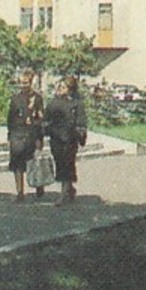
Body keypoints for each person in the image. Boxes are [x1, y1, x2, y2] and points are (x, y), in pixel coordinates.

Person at [44, 75, 88, 206]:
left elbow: (81, 121)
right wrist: (45, 130)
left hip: (70, 139)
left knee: (67, 163)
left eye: (63, 87)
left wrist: (80, 134)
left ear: (70, 89)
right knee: (59, 163)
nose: (60, 89)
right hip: (56, 137)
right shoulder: (54, 103)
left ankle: (62, 195)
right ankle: (69, 188)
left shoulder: (76, 104)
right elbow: (46, 118)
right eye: (59, 86)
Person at [6, 71, 46, 201]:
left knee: (33, 162)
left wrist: (40, 138)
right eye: (21, 83)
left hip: (32, 134)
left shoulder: (37, 98)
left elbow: (41, 118)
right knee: (17, 164)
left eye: (26, 83)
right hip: (17, 134)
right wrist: (9, 136)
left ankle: (38, 185)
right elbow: (10, 118)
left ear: (31, 82)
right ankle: (19, 192)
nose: (23, 86)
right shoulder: (15, 98)